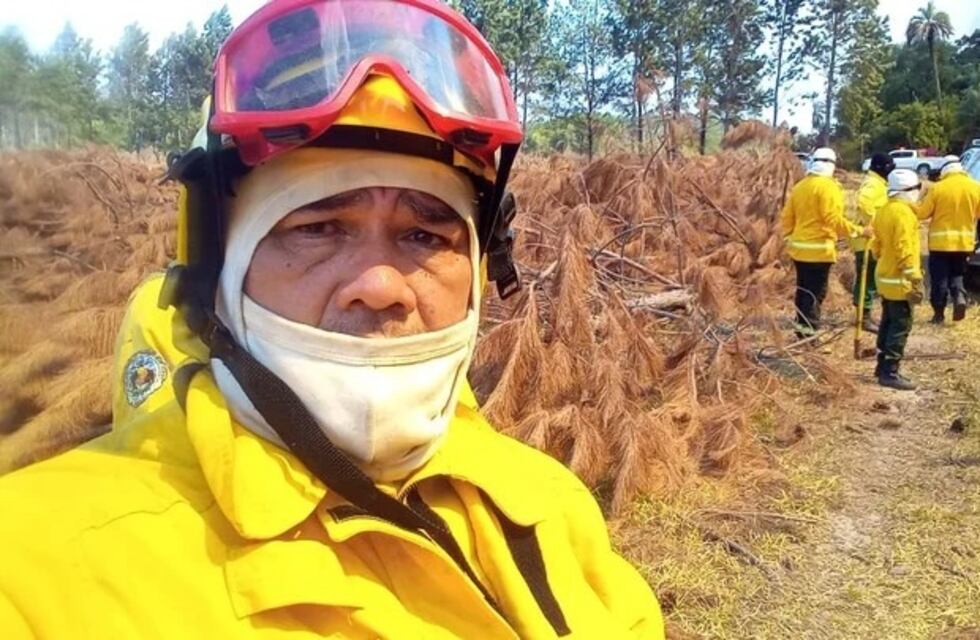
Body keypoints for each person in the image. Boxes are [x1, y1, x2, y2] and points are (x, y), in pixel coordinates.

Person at [0, 1, 664, 638]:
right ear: (217, 267)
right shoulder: (37, 568)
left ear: (480, 272)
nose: (380, 287)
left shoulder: (551, 505)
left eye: (425, 237)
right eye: (318, 227)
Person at [781, 147, 867, 338]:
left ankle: (802, 330)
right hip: (819, 251)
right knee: (815, 294)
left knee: (803, 291)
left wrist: (789, 238)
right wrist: (859, 231)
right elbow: (833, 219)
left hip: (799, 250)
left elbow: (787, 217)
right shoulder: (828, 187)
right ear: (832, 165)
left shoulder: (800, 186)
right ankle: (808, 335)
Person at [870, 169, 924, 391]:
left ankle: (881, 365)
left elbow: (876, 244)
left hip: (885, 276)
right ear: (907, 191)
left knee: (887, 322)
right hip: (899, 279)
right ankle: (890, 372)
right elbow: (904, 248)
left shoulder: (884, 210)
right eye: (916, 189)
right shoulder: (903, 213)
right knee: (900, 325)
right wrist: (913, 275)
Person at [915, 155, 980, 323]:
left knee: (939, 279)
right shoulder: (975, 187)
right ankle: (959, 296)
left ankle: (938, 314)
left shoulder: (938, 188)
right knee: (957, 274)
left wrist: (912, 202)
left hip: (940, 244)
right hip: (964, 244)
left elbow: (922, 214)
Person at [849, 152, 895, 333]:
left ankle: (865, 314)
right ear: (881, 168)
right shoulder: (873, 184)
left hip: (873, 241)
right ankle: (863, 318)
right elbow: (864, 203)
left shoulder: (879, 183)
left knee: (870, 281)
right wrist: (877, 220)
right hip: (866, 241)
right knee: (866, 281)